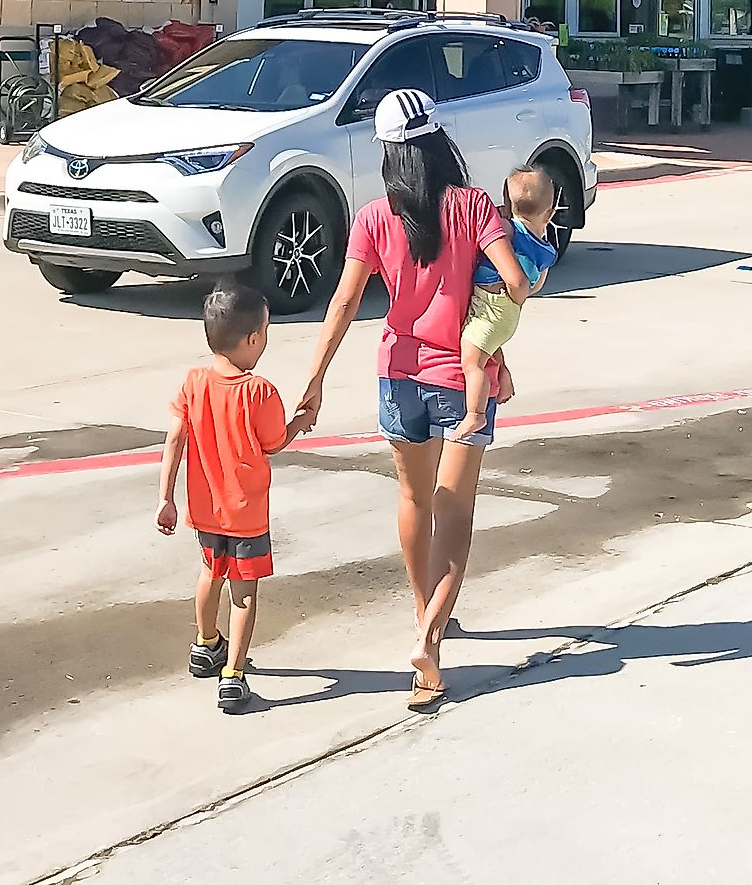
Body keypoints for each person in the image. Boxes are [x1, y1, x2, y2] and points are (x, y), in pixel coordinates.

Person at [293, 87, 526, 709]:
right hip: (457, 378)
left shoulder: (373, 217)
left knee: (413, 499)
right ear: (438, 139)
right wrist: (494, 346)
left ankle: (424, 614)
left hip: (397, 373)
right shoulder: (474, 207)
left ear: (389, 152)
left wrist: (314, 379)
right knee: (457, 514)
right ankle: (429, 639)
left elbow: (342, 301)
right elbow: (512, 282)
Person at [158, 276, 296, 715]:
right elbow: (273, 442)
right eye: (266, 334)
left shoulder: (193, 382)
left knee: (208, 575)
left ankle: (205, 645)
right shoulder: (259, 391)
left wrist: (166, 497)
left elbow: (175, 438)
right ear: (253, 338)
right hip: (246, 514)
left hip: (204, 510)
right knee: (245, 593)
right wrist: (301, 422)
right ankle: (234, 675)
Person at [458, 165, 560, 439]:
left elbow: (483, 229)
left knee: (471, 362)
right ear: (550, 213)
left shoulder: (508, 229)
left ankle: (475, 414)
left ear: (506, 205)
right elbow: (536, 285)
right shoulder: (547, 250)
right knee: (487, 349)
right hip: (508, 311)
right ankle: (501, 382)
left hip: (491, 304)